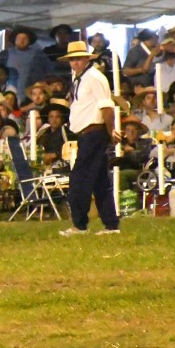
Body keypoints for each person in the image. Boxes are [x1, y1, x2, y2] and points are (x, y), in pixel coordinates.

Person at [58, 41, 121, 236]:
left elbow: (107, 107)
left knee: (80, 179)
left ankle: (79, 224)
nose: (75, 63)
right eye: (72, 60)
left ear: (87, 59)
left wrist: (111, 130)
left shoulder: (94, 78)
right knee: (100, 181)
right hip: (87, 134)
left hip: (93, 133)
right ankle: (111, 224)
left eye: (78, 59)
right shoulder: (79, 77)